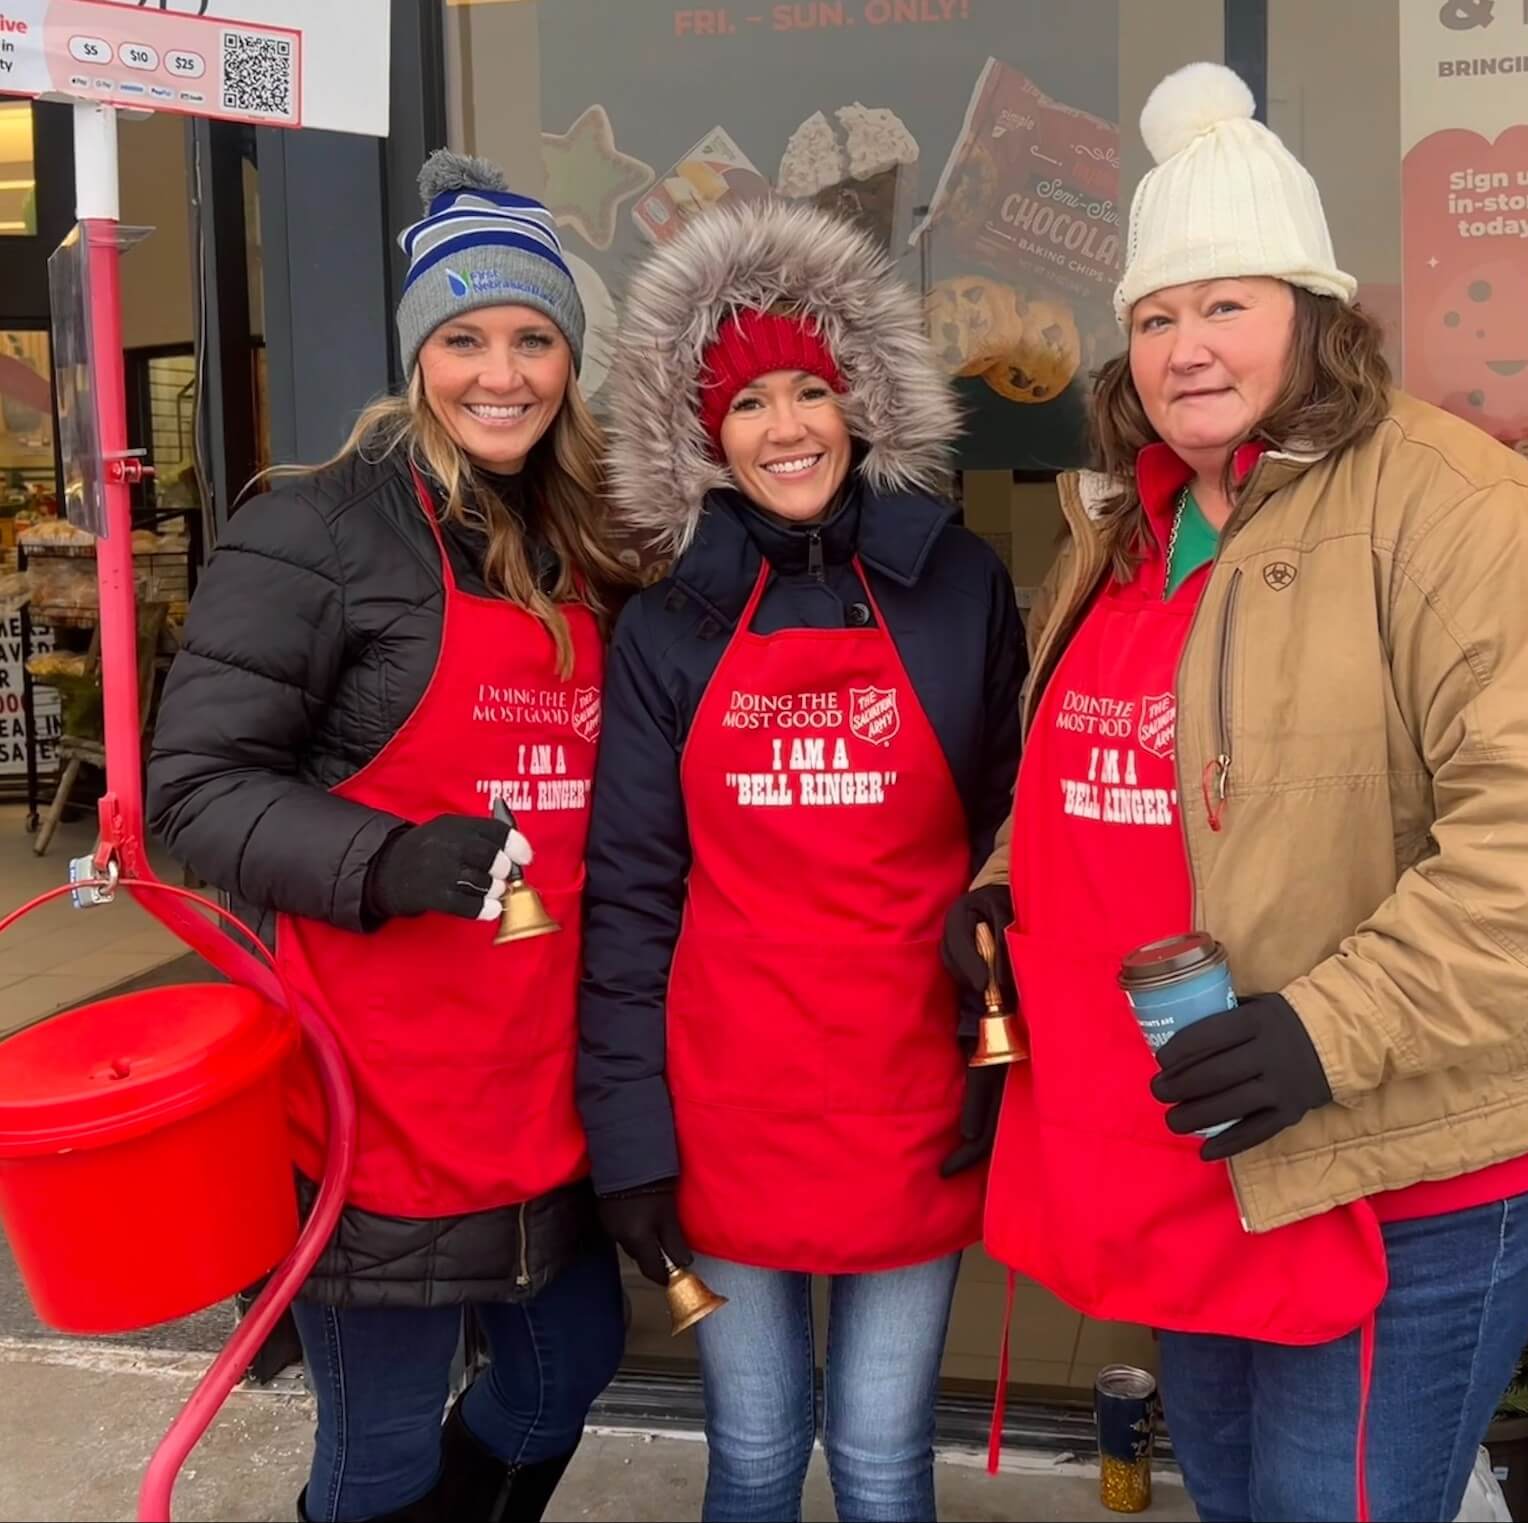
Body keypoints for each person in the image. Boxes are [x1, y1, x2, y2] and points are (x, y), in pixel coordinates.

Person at [942, 62, 1528, 1523]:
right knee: (1235, 1485)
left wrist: (1332, 1030)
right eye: (1156, 317)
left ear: (1316, 319)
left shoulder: (1466, 517)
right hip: (1210, 1136)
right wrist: (1010, 878)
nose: (1187, 348)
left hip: (1419, 1145)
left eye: (1226, 306)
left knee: (1335, 1502)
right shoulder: (1126, 520)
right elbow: (1096, 746)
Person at [148, 151, 638, 1523]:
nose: (503, 372)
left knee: (563, 1375)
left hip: (542, 1076)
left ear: (569, 359)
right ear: (418, 352)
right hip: (376, 1090)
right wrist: (385, 857)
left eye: (535, 338)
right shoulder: (317, 525)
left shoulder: (586, 539)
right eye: (466, 338)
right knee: (378, 1458)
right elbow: (190, 787)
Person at [576, 200, 1026, 1522]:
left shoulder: (959, 586)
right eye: (749, 403)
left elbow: (1016, 829)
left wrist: (1006, 1023)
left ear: (861, 402)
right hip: (728, 1113)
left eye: (811, 390)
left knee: (887, 1465)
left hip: (909, 1098)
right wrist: (631, 1147)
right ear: (702, 436)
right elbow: (631, 905)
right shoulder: (670, 624)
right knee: (757, 1459)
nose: (786, 428)